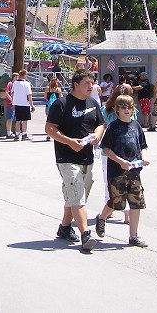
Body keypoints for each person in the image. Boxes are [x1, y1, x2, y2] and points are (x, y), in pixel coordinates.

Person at [45, 68, 105, 252]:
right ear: (76, 85)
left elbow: (101, 124)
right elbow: (49, 128)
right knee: (78, 194)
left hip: (87, 157)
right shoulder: (61, 104)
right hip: (66, 157)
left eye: (92, 82)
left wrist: (96, 135)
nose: (91, 86)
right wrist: (69, 142)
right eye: (87, 83)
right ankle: (85, 234)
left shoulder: (93, 103)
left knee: (77, 195)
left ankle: (64, 228)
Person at [95, 94, 150, 247]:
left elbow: (143, 145)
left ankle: (133, 236)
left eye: (129, 107)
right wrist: (120, 161)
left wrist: (144, 157)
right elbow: (106, 149)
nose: (126, 110)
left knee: (136, 202)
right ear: (117, 110)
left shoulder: (136, 125)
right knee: (116, 203)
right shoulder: (113, 127)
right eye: (123, 107)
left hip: (134, 172)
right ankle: (102, 217)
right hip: (117, 171)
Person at [10, 69, 34, 141]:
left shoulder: (15, 83)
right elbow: (29, 95)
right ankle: (24, 134)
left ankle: (16, 135)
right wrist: (32, 105)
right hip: (25, 104)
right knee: (25, 120)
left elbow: (12, 93)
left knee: (18, 120)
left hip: (17, 104)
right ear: (24, 75)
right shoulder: (26, 84)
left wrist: (13, 102)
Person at [4, 72, 18, 139]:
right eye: (17, 77)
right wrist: (12, 100)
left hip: (16, 104)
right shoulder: (10, 84)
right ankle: (8, 133)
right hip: (10, 104)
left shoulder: (16, 85)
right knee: (10, 118)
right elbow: (6, 93)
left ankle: (15, 132)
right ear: (14, 77)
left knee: (15, 119)